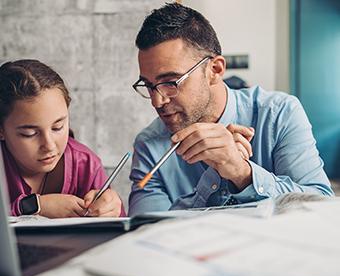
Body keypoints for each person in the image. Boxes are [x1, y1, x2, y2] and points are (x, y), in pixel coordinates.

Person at [128, 3, 333, 215]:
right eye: (149, 86)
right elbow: (148, 229)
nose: (157, 102)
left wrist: (242, 173)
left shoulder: (278, 114)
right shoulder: (149, 146)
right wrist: (216, 176)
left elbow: (320, 208)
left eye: (171, 82)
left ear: (215, 70)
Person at [0, 59, 125, 217]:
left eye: (57, 127)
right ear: (1, 130)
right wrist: (33, 206)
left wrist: (112, 209)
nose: (49, 145)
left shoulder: (86, 165)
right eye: (30, 134)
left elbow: (121, 231)